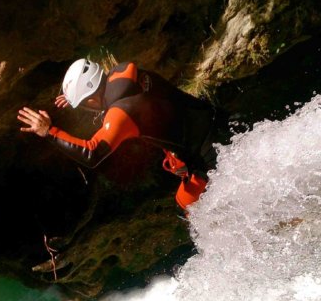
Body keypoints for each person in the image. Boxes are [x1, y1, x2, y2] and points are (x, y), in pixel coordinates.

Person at [17, 58, 227, 211]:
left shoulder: (121, 114)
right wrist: (76, 96)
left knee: (187, 202)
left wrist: (49, 131)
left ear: (90, 99)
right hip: (215, 120)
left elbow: (92, 152)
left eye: (83, 104)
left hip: (210, 154)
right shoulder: (124, 71)